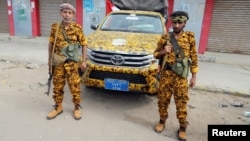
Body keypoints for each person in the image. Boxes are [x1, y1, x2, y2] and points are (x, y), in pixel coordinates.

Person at [153, 11, 198, 141]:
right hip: (166, 75)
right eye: (175, 22)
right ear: (172, 23)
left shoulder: (189, 37)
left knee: (181, 102)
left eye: (180, 22)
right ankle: (162, 121)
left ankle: (182, 127)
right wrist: (163, 51)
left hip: (181, 77)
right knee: (163, 100)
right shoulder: (165, 37)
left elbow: (194, 58)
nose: (177, 25)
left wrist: (194, 77)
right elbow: (155, 54)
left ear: (184, 23)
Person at [47, 3, 87, 120]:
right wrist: (49, 59)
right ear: (61, 13)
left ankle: (76, 108)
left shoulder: (78, 28)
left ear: (73, 15)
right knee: (57, 86)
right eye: (65, 12)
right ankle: (58, 107)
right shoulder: (55, 27)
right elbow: (50, 44)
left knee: (75, 87)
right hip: (59, 63)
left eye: (69, 13)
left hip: (73, 64)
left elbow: (84, 45)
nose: (67, 15)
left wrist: (84, 61)